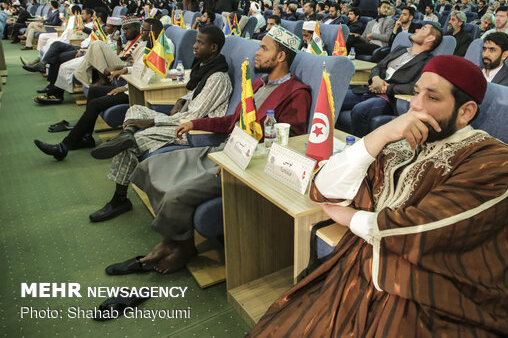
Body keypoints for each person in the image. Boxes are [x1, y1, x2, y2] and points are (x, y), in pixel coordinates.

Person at [250, 54, 508, 338]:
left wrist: (350, 218)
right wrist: (380, 135)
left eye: (433, 98)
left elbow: (427, 229)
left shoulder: (493, 159)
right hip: (363, 271)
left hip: (438, 294)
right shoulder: (402, 141)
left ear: (465, 112)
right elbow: (324, 188)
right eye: (416, 93)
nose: (415, 105)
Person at [108, 26, 312, 273]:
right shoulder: (258, 84)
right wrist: (194, 123)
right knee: (149, 166)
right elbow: (230, 122)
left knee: (175, 194)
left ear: (281, 57)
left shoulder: (296, 93)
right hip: (222, 150)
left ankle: (182, 246)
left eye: (264, 48)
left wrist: (237, 162)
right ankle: (171, 241)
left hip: (245, 164)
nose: (257, 53)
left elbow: (288, 144)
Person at [86, 26, 234, 222]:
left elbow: (195, 115)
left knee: (137, 139)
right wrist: (180, 100)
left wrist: (154, 121)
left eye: (200, 42)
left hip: (196, 131)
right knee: (135, 109)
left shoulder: (218, 77)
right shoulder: (206, 67)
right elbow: (194, 95)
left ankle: (119, 199)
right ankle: (126, 133)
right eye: (196, 40)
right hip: (183, 120)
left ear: (213, 47)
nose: (194, 45)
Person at [33, 19, 156, 159]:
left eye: (144, 30)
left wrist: (123, 87)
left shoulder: (158, 49)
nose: (141, 32)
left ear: (153, 32)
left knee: (95, 103)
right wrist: (123, 69)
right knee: (93, 91)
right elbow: (138, 68)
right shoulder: (146, 46)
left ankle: (64, 147)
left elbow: (146, 76)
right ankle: (86, 137)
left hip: (135, 91)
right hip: (130, 84)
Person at [339, 24, 442, 137]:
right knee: (333, 98)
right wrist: (375, 78)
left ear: (430, 38)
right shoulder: (400, 49)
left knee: (360, 110)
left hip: (389, 99)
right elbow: (377, 67)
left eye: (422, 29)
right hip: (370, 90)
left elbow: (414, 86)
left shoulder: (428, 61)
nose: (416, 29)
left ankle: (359, 151)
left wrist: (387, 88)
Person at [74, 16, 147, 87]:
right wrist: (119, 46)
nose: (124, 32)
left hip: (125, 67)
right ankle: (82, 75)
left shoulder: (142, 44)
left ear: (137, 28)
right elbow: (122, 56)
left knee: (97, 44)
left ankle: (102, 80)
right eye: (123, 29)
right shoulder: (130, 40)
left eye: (127, 29)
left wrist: (115, 68)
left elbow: (136, 67)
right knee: (95, 49)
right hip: (122, 62)